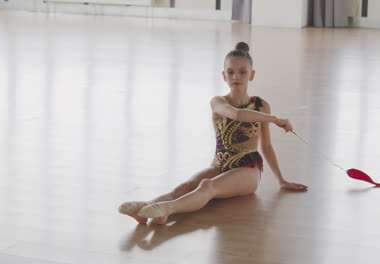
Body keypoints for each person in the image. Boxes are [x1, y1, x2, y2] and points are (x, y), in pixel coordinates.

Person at [118, 42, 308, 225]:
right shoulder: (218, 102)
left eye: (242, 72)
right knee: (184, 187)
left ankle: (166, 209)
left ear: (252, 75)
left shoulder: (261, 105)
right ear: (223, 76)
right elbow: (236, 114)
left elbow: (266, 146)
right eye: (231, 72)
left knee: (207, 186)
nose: (236, 77)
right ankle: (143, 208)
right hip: (220, 164)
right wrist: (275, 119)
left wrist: (281, 180)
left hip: (248, 170)